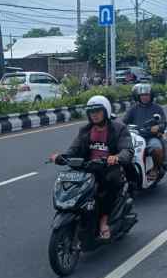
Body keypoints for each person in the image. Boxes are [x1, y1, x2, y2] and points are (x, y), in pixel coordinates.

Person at [51, 95, 133, 239]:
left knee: (107, 185)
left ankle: (103, 221)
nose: (94, 114)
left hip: (109, 167)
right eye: (91, 112)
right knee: (70, 183)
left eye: (98, 111)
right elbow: (73, 150)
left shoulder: (119, 128)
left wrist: (117, 157)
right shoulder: (85, 130)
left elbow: (127, 150)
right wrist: (60, 157)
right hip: (88, 167)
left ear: (106, 111)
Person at [124, 83, 167, 175]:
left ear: (151, 96)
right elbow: (123, 122)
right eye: (142, 95)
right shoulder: (133, 109)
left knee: (156, 148)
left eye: (146, 95)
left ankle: (156, 168)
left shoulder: (157, 108)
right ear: (138, 97)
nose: (144, 97)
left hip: (150, 137)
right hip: (135, 137)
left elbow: (163, 123)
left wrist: (158, 127)